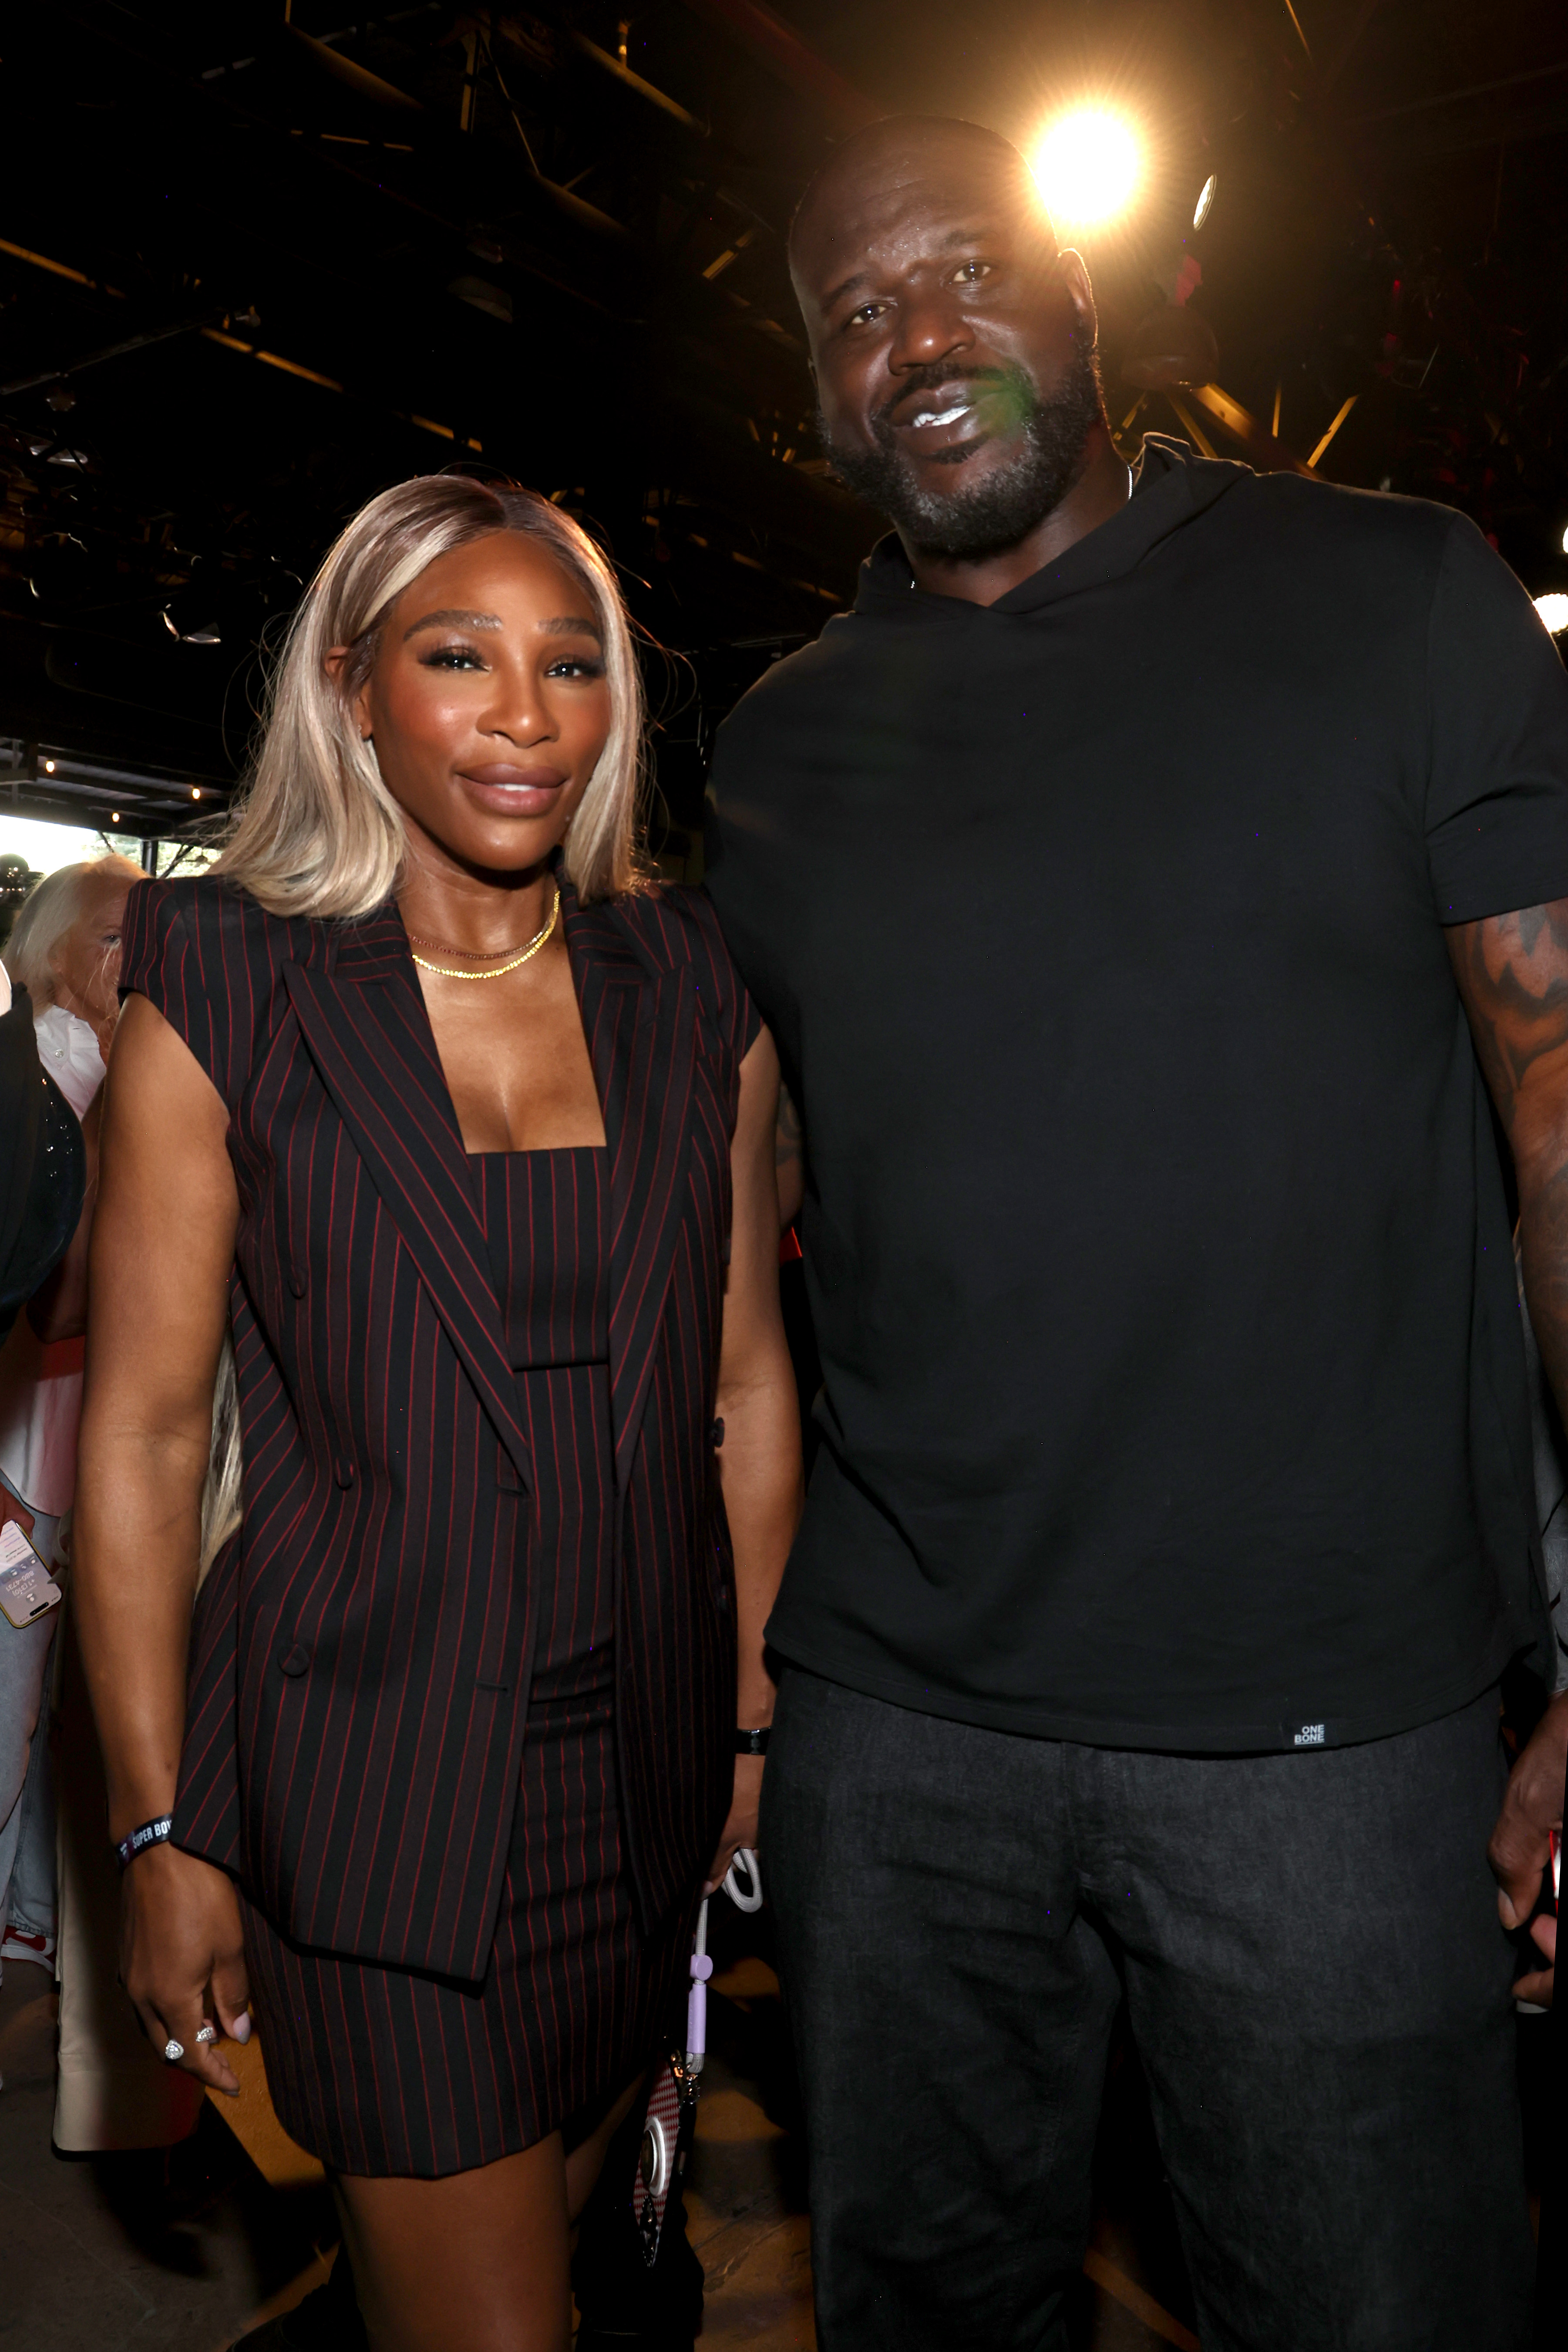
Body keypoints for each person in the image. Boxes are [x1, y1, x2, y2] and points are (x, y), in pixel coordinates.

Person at [704, 113, 1568, 2352]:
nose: (919, 337)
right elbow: (741, 1247)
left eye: (965, 271)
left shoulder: (1393, 594)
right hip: (895, 1735)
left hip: (1334, 1742)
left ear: (1081, 296)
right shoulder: (780, 753)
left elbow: (1558, 1113)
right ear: (814, 395)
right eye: (854, 312)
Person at [74, 474, 800, 2352]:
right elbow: (144, 1444)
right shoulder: (227, 981)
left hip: (634, 1788)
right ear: (352, 687)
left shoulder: (687, 979)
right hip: (367, 1807)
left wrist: (745, 1718)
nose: (524, 713)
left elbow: (740, 1377)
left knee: (557, 2269)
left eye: (571, 667)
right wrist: (160, 1836)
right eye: (456, 656)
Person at [0, 856, 141, 1992]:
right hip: (26, 1454)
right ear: (49, 954)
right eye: (113, 936)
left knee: (57, 1717)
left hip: (81, 1450)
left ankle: (31, 1925)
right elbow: (67, 1295)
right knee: (10, 1715)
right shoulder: (43, 1082)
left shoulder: (107, 1069)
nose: (139, 958)